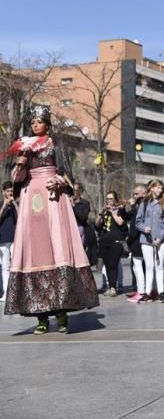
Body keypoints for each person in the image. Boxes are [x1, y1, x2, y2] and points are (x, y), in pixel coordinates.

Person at [4, 105, 99, 334]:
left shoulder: (56, 144)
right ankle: (41, 318)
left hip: (53, 198)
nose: (35, 125)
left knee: (57, 248)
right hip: (31, 198)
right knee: (35, 254)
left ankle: (62, 314)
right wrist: (21, 164)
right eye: (33, 121)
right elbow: (16, 179)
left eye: (39, 121)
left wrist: (60, 182)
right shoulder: (25, 146)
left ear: (47, 124)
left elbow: (69, 177)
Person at [135, 179, 164, 303]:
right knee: (149, 266)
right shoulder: (144, 203)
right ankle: (148, 292)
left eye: (161, 188)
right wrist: (144, 228)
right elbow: (138, 221)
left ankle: (161, 292)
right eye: (158, 187)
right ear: (152, 188)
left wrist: (160, 237)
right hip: (146, 239)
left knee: (159, 265)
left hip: (160, 239)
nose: (160, 190)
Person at [95, 190, 128, 297]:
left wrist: (113, 211)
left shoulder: (120, 210)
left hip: (116, 242)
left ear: (115, 200)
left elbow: (120, 222)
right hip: (104, 242)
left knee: (113, 265)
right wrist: (101, 213)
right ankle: (111, 287)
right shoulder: (105, 211)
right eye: (107, 199)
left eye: (111, 199)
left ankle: (113, 288)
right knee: (108, 265)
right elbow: (97, 224)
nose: (109, 201)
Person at [125, 185, 146, 303]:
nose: (134, 196)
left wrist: (129, 239)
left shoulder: (142, 206)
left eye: (136, 194)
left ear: (143, 193)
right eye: (134, 194)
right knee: (138, 267)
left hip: (138, 240)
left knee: (139, 268)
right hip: (136, 240)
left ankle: (141, 292)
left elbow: (135, 224)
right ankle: (142, 290)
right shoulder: (138, 207)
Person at [71, 182, 97, 266]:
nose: (74, 192)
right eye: (72, 190)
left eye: (76, 190)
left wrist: (73, 206)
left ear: (80, 191)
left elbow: (82, 217)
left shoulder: (85, 203)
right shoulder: (66, 202)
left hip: (80, 234)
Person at [0, 181, 17, 301]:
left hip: (16, 239)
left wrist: (14, 203)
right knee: (5, 266)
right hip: (3, 239)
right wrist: (4, 205)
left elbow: (23, 217)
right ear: (3, 192)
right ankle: (7, 292)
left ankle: (16, 292)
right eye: (8, 191)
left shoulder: (17, 205)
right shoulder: (1, 204)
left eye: (11, 191)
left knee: (15, 265)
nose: (10, 193)